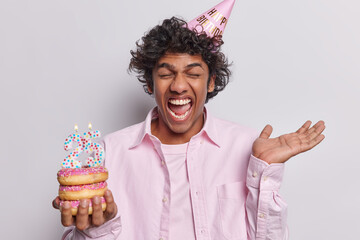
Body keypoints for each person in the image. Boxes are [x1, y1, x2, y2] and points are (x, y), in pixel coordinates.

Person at [53, 16, 325, 240]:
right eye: (165, 73)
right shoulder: (109, 153)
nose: (179, 86)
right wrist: (94, 230)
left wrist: (264, 173)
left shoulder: (247, 147)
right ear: (150, 83)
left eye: (193, 74)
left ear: (210, 82)